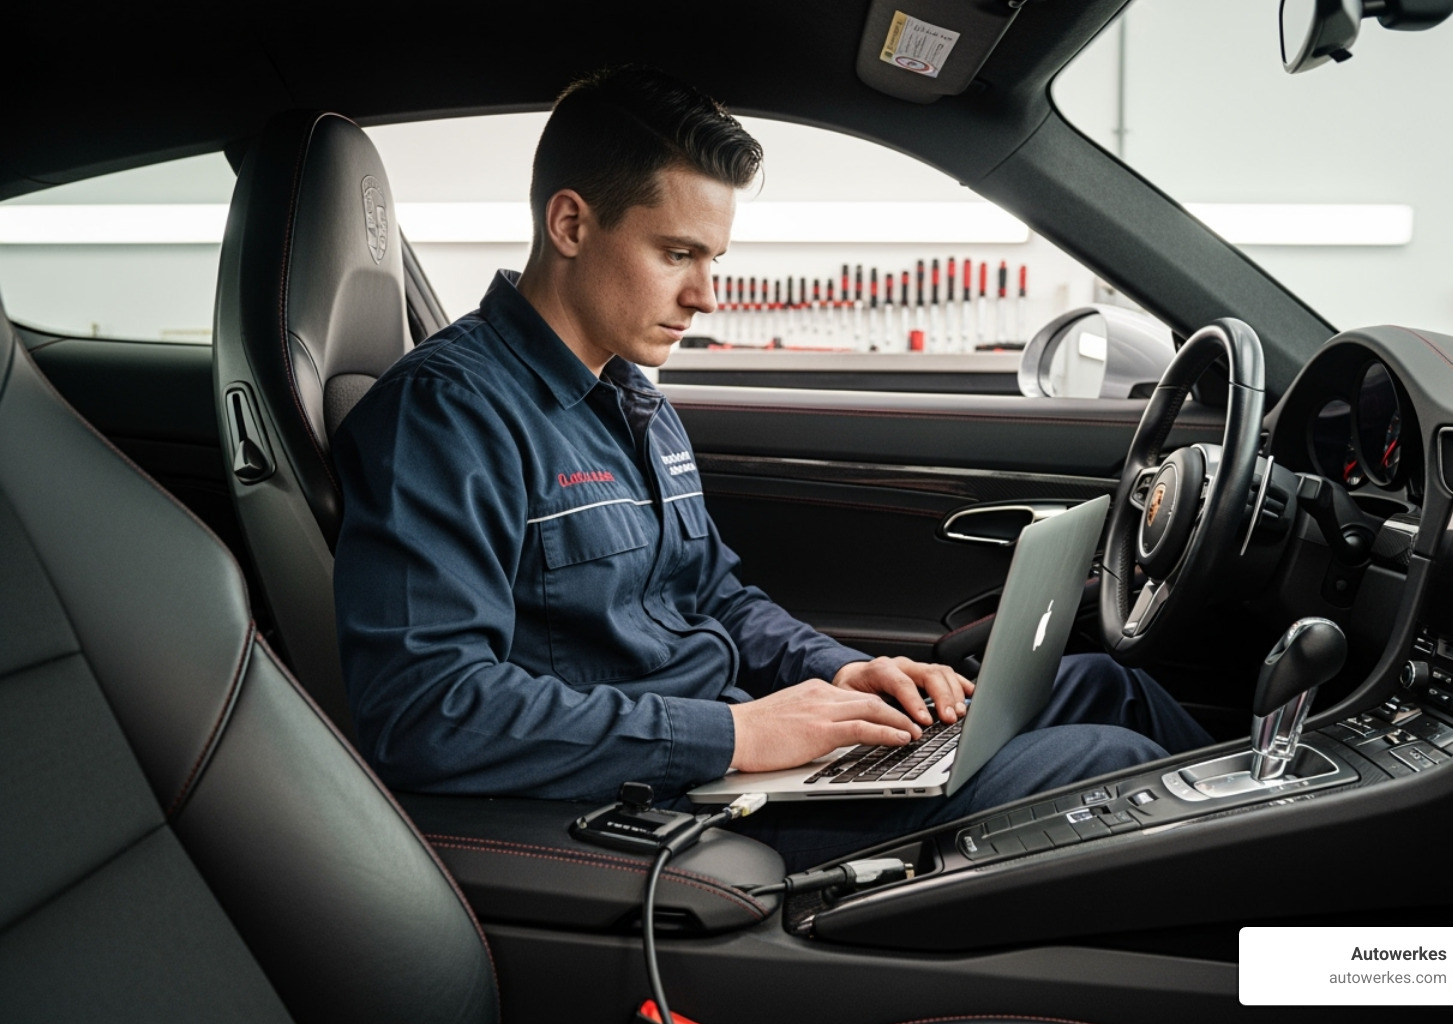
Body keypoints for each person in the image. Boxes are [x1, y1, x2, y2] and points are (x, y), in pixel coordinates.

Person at [332, 66, 1211, 871]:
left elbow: (713, 596)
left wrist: (839, 671)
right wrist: (732, 734)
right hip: (667, 803)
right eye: (677, 254)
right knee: (1112, 769)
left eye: (714, 260)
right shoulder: (447, 414)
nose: (706, 294)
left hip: (736, 749)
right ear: (570, 224)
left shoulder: (635, 397)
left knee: (1110, 690)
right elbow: (426, 710)